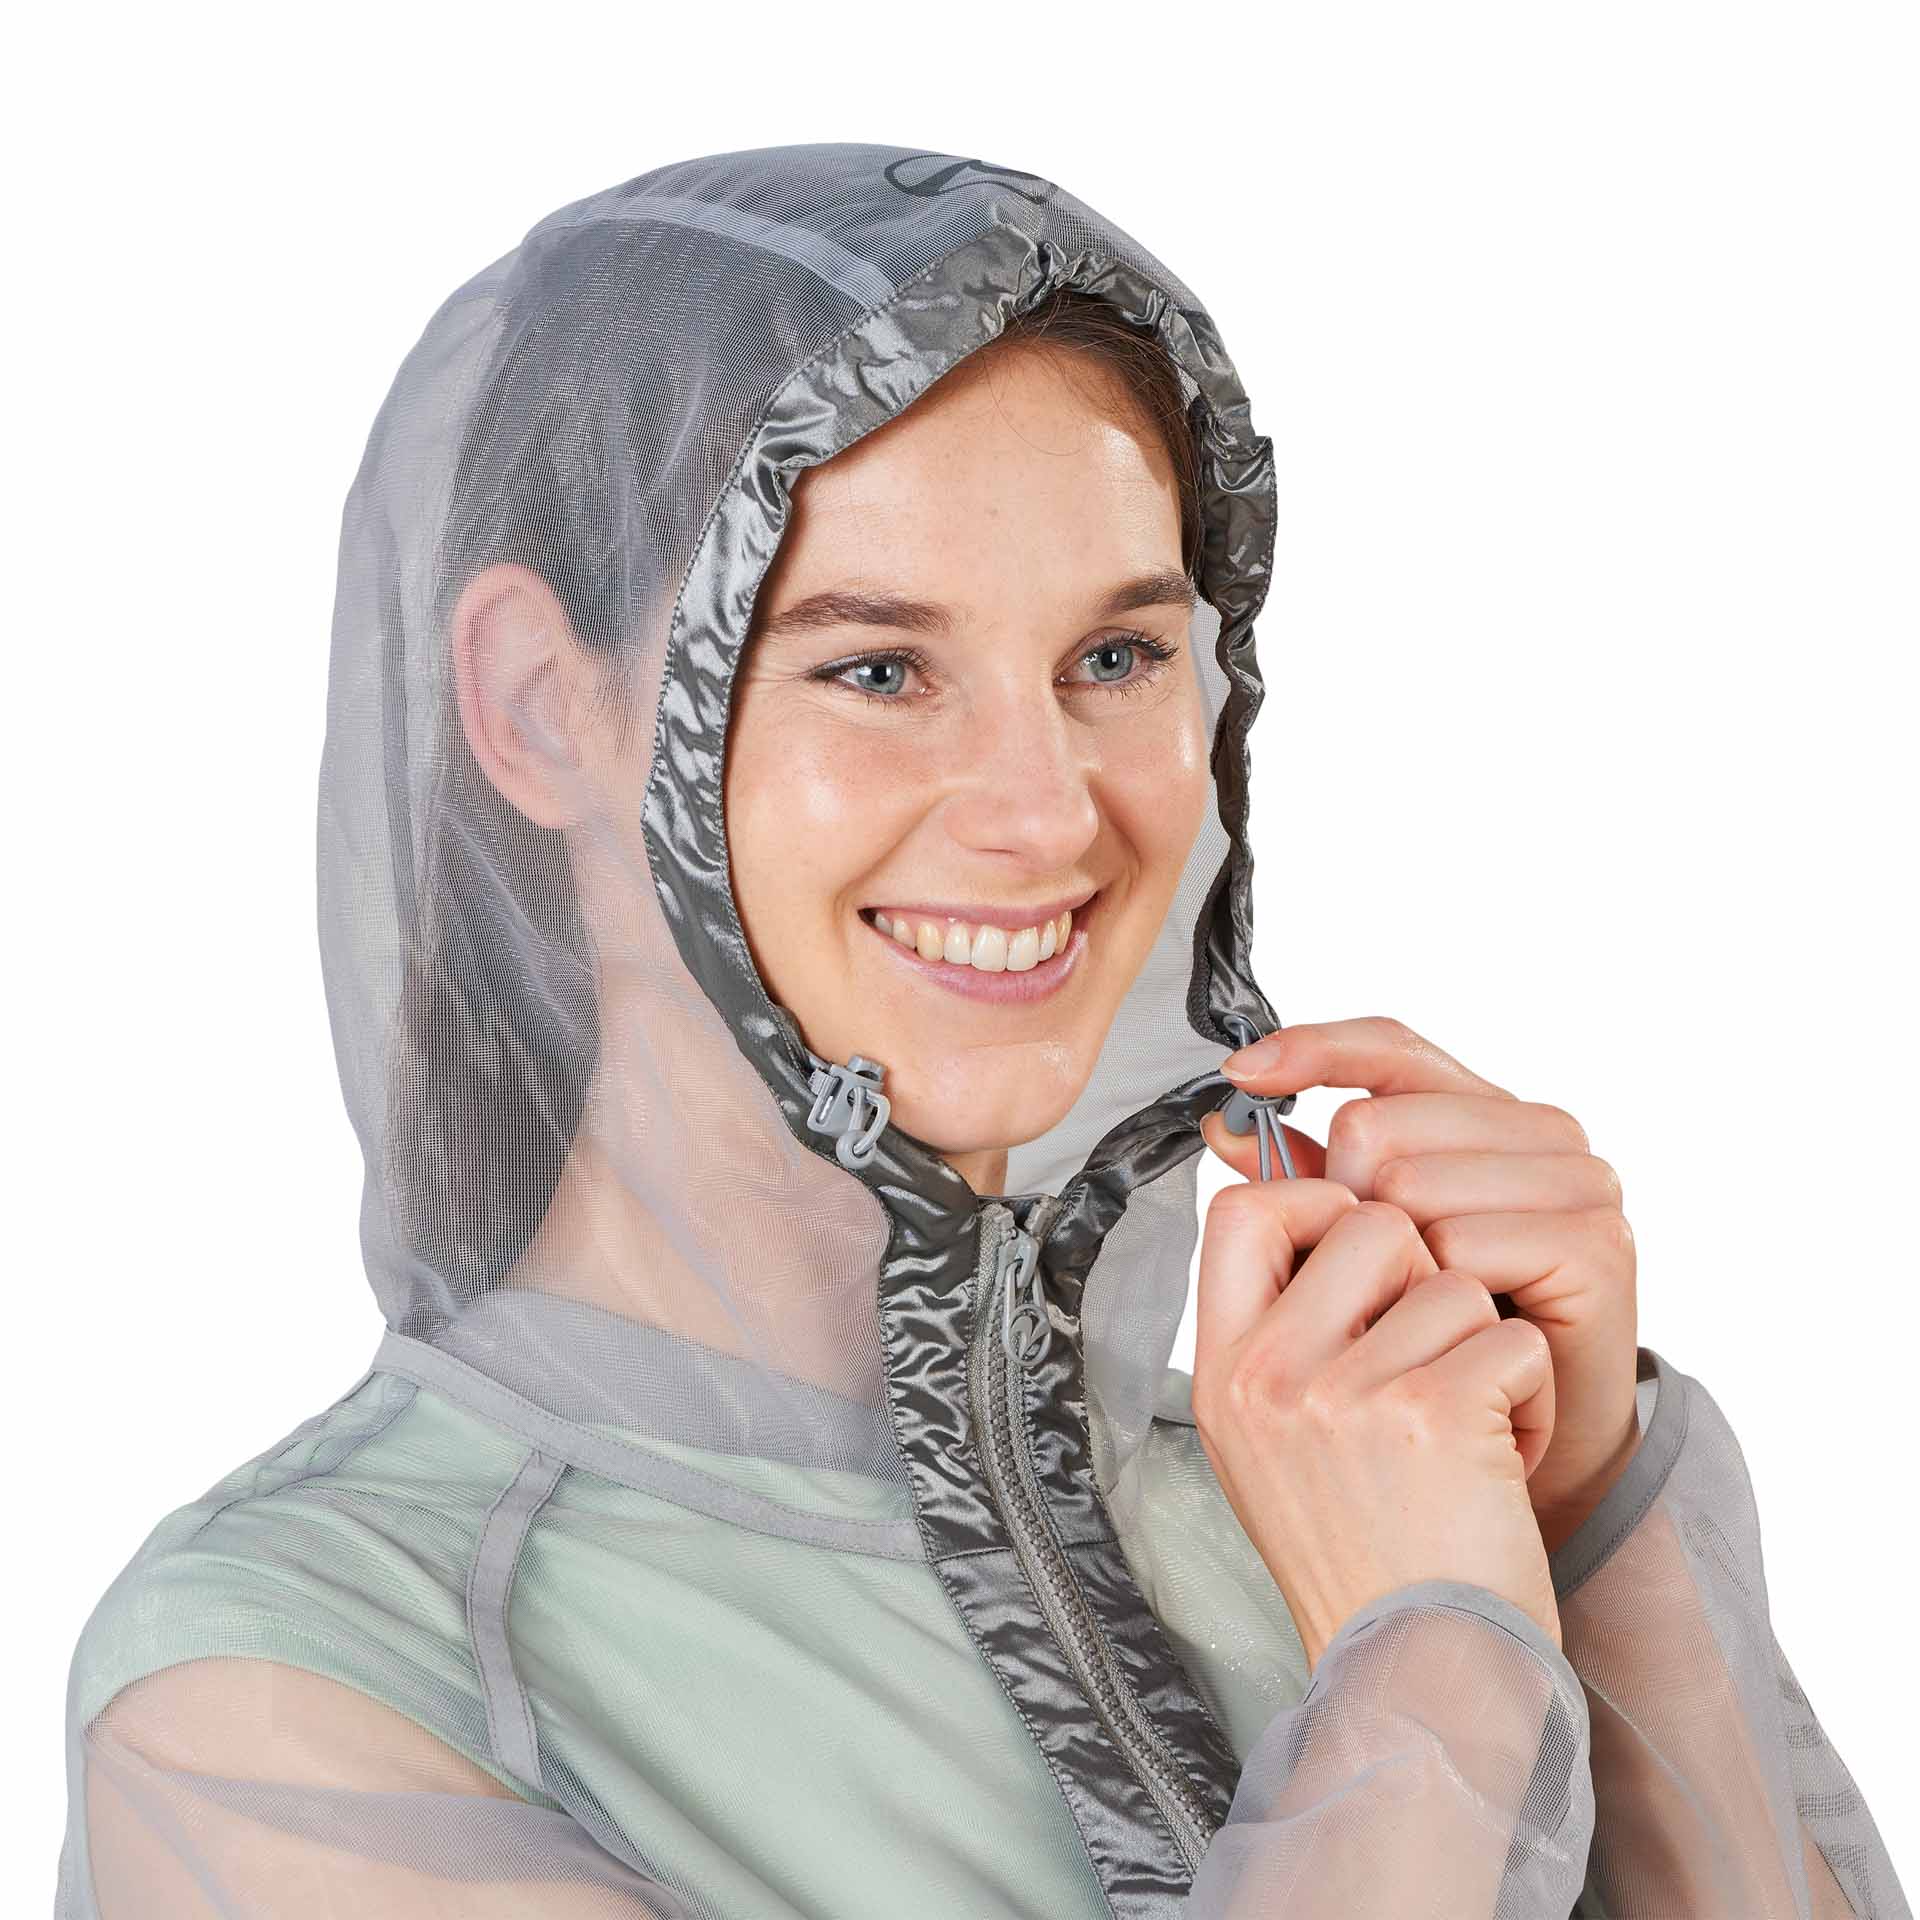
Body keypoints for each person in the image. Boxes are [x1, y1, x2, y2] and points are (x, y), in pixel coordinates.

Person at [54, 142, 1906, 1919]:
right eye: (876, 668)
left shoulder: (1344, 1482)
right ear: (542, 706)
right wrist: (1432, 1664)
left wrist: (1591, 1519)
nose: (1047, 810)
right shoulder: (280, 1690)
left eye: (1118, 657)